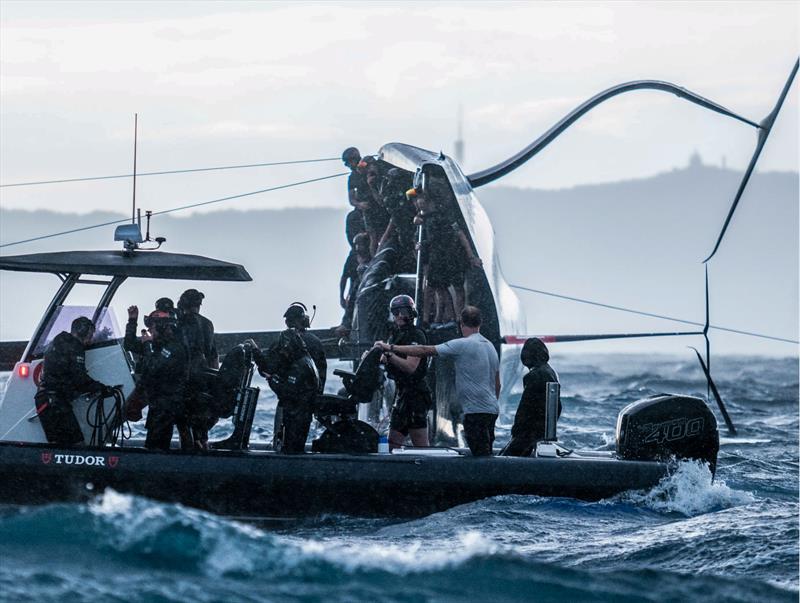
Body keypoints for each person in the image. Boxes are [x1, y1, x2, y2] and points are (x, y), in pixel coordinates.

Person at [374, 305, 500, 456]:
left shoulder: (463, 344)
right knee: (486, 451)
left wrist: (390, 348)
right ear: (480, 323)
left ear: (461, 324)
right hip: (491, 410)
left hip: (475, 412)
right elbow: (497, 384)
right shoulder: (490, 346)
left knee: (479, 454)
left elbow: (424, 351)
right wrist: (490, 403)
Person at [34, 316, 113, 446]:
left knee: (57, 446)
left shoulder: (59, 341)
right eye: (90, 334)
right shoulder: (74, 346)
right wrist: (102, 388)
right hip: (55, 403)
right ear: (83, 331)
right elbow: (80, 378)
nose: (90, 339)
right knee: (77, 444)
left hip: (46, 400)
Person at [246, 326, 319, 454]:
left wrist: (272, 380)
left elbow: (287, 392)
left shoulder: (299, 366)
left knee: (292, 449)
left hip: (297, 415)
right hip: (300, 413)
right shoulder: (303, 359)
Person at [125, 307, 190, 451]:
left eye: (152, 328)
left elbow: (154, 366)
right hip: (159, 403)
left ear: (161, 327)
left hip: (167, 405)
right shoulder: (160, 345)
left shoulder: (174, 347)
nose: (150, 331)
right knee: (154, 441)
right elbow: (129, 344)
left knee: (156, 445)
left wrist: (147, 345)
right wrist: (132, 321)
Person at [378, 295, 432, 450]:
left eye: (403, 311)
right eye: (396, 312)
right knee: (392, 444)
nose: (400, 315)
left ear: (411, 313)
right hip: (402, 395)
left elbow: (410, 367)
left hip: (416, 396)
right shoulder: (396, 335)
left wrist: (389, 354)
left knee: (420, 445)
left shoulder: (416, 335)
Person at [500, 338, 560, 457]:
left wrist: (517, 429)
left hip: (529, 432)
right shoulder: (551, 372)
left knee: (507, 456)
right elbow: (557, 407)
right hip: (541, 431)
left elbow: (525, 407)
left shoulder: (534, 376)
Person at [176, 289, 218, 449]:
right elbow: (213, 356)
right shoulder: (207, 324)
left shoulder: (180, 322)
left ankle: (187, 457)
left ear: (182, 304)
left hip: (184, 378)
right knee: (200, 425)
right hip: (203, 377)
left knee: (184, 423)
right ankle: (202, 451)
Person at [283, 302, 326, 394]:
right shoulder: (315, 341)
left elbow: (269, 368)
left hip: (293, 399)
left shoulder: (285, 341)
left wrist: (255, 351)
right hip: (315, 396)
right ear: (305, 321)